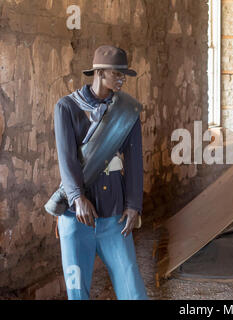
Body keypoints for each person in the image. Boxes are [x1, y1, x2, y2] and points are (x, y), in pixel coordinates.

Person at [53, 45, 148, 300]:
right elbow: (67, 159)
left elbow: (134, 161)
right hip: (76, 216)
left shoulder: (128, 111)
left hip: (115, 211)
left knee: (133, 291)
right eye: (116, 73)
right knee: (78, 293)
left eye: (123, 74)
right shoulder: (66, 107)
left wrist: (133, 204)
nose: (122, 79)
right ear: (99, 72)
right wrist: (76, 198)